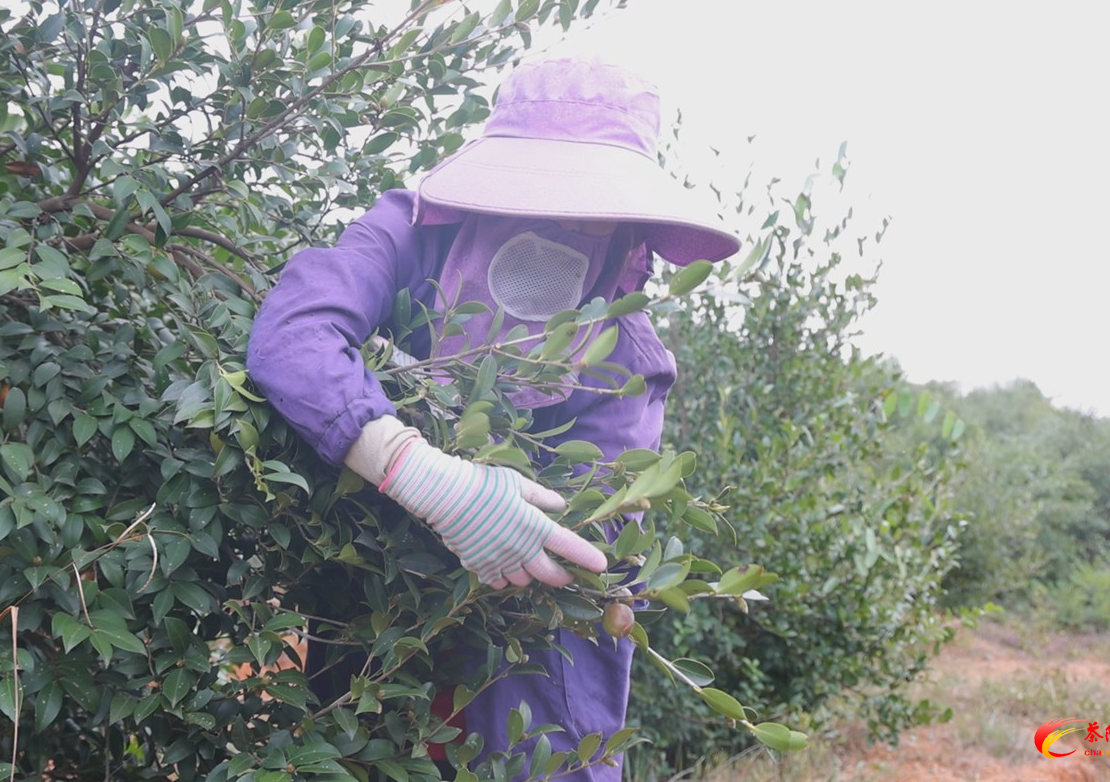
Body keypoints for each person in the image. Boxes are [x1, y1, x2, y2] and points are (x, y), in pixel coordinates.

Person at [246, 56, 740, 781]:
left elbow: (581, 536)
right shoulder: (412, 236)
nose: (569, 218)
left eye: (591, 201)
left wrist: (514, 516)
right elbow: (294, 332)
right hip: (376, 652)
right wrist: (409, 465)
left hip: (529, 679)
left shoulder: (624, 358)